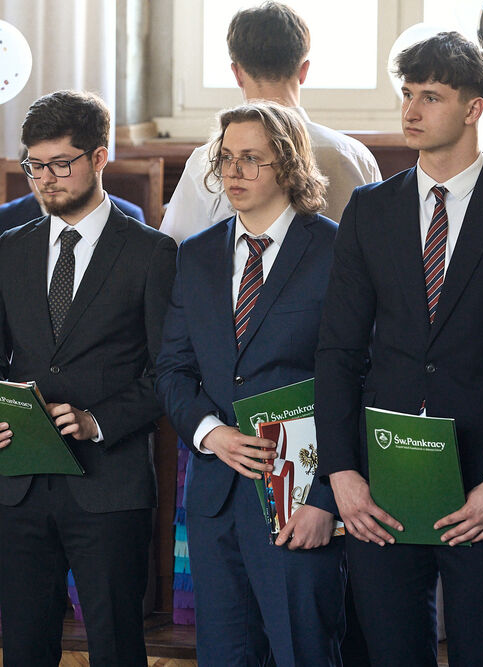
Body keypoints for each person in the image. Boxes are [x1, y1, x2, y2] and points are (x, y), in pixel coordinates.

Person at [314, 32, 483, 666]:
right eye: (407, 94)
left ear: (475, 107)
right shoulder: (368, 210)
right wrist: (342, 473)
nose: (411, 110)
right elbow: (338, 352)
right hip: (381, 483)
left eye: (430, 96)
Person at [0, 90, 177, 666]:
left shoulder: (152, 252)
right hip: (19, 485)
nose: (45, 180)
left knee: (116, 647)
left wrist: (96, 421)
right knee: (25, 650)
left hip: (109, 485)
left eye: (61, 163)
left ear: (99, 157)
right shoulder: (11, 249)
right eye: (35, 165)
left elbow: (168, 373)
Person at [155, 100, 344, 666]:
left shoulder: (336, 251)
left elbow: (356, 382)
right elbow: (172, 369)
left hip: (300, 499)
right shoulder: (196, 255)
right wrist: (210, 432)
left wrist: (327, 499)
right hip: (216, 498)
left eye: (252, 159)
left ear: (288, 165)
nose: (234, 172)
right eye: (227, 158)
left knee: (303, 653)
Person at [159, 0, 380, 244]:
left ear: (237, 74)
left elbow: (174, 249)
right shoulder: (356, 156)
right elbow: (378, 245)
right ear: (304, 71)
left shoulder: (205, 162)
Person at [0, 148, 145, 292]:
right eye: (37, 168)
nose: (46, 180)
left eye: (60, 166)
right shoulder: (3, 221)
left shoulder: (127, 218)